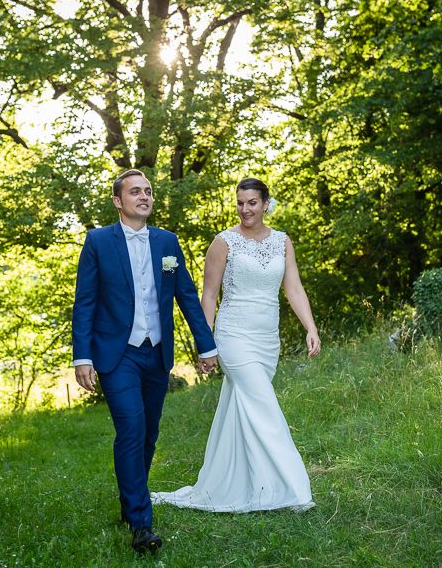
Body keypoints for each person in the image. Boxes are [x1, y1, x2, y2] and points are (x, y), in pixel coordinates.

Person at [71, 169, 218, 553]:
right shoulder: (98, 242)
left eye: (148, 191)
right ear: (118, 201)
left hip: (156, 352)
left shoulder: (167, 241)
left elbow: (187, 296)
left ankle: (129, 501)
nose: (144, 196)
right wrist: (82, 356)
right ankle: (141, 522)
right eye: (135, 191)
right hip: (116, 353)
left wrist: (206, 346)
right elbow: (85, 302)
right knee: (132, 428)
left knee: (149, 432)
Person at [152, 177, 320, 513]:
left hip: (267, 340)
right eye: (240, 203)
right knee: (265, 407)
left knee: (243, 409)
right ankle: (296, 490)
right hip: (234, 337)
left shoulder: (282, 242)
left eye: (252, 203)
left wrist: (310, 328)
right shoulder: (223, 242)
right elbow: (209, 295)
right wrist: (206, 344)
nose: (245, 209)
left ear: (265, 203)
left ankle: (239, 483)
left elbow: (294, 288)